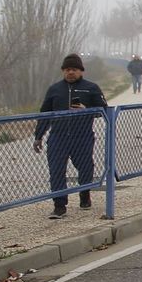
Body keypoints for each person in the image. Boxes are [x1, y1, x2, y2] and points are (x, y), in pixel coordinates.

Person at [33, 54, 109, 218]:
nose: (70, 73)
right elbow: (45, 114)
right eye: (67, 70)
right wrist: (38, 136)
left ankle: (84, 194)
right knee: (56, 171)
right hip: (58, 138)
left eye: (74, 69)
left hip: (82, 137)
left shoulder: (91, 88)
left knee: (85, 168)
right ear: (63, 71)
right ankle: (59, 206)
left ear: (81, 71)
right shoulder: (54, 89)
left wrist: (87, 109)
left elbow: (104, 110)